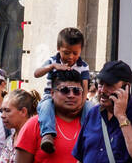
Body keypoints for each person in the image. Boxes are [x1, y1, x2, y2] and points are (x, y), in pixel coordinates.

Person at [34, 26, 90, 154]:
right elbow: (36, 73)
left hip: (78, 96)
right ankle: (48, 134)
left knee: (90, 107)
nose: (70, 57)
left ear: (80, 51)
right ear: (58, 48)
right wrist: (52, 66)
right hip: (51, 95)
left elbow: (85, 86)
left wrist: (81, 102)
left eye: (75, 53)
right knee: (45, 106)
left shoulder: (83, 66)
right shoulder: (53, 61)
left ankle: (87, 133)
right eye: (66, 52)